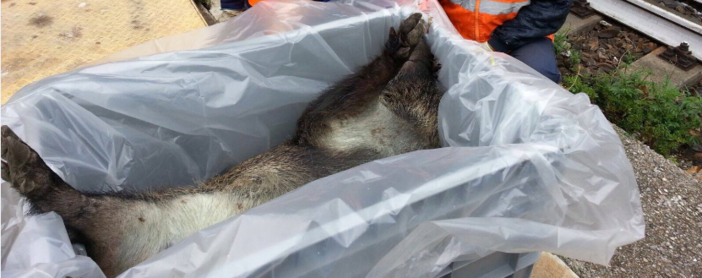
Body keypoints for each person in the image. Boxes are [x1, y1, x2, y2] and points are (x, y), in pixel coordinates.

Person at [439, 0, 572, 83]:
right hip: (452, 32)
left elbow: (552, 6)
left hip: (523, 35)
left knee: (537, 77)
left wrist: (498, 43)